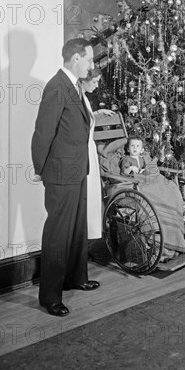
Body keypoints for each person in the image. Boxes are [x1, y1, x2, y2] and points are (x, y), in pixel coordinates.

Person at [31, 38, 99, 317]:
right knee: (58, 234)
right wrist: (39, 168)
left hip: (77, 169)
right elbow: (42, 132)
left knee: (77, 229)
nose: (91, 65)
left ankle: (76, 277)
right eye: (89, 60)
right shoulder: (57, 87)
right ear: (75, 59)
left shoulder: (73, 86)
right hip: (60, 173)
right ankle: (50, 296)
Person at [80, 67, 113, 241]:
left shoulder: (83, 98)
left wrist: (97, 113)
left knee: (93, 194)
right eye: (94, 81)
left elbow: (84, 118)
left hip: (89, 149)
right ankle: (84, 234)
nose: (97, 85)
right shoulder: (77, 96)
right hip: (83, 151)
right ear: (84, 80)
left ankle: (91, 234)